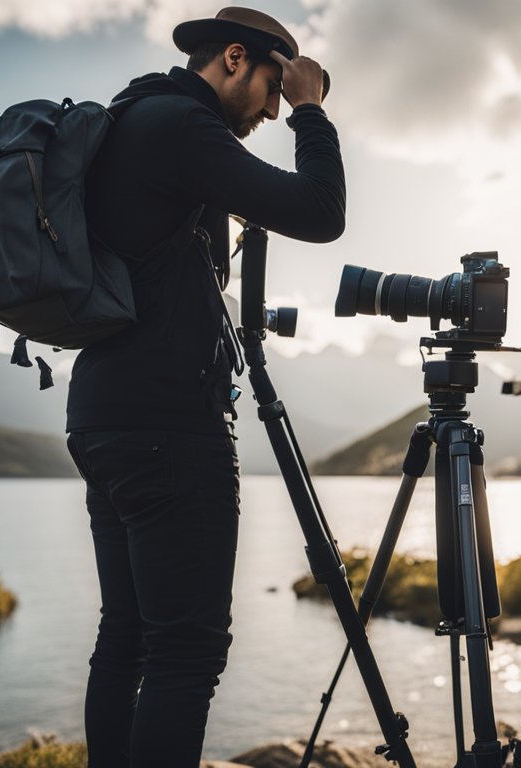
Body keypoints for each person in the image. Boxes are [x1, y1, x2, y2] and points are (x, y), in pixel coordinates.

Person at [64, 7, 345, 767]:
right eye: (269, 89)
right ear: (232, 58)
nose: (269, 112)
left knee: (124, 636)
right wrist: (312, 111)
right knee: (187, 652)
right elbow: (321, 213)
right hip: (167, 425)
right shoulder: (184, 130)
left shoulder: (131, 121)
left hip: (102, 414)